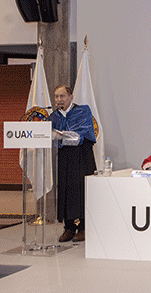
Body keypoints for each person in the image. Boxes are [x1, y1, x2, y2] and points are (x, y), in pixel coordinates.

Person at [51, 85, 97, 243]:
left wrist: (68, 134)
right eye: (56, 96)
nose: (59, 100)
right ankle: (69, 227)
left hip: (81, 156)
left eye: (62, 96)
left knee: (80, 190)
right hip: (64, 157)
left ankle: (83, 227)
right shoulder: (54, 117)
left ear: (70, 97)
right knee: (65, 189)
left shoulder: (82, 111)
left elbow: (86, 133)